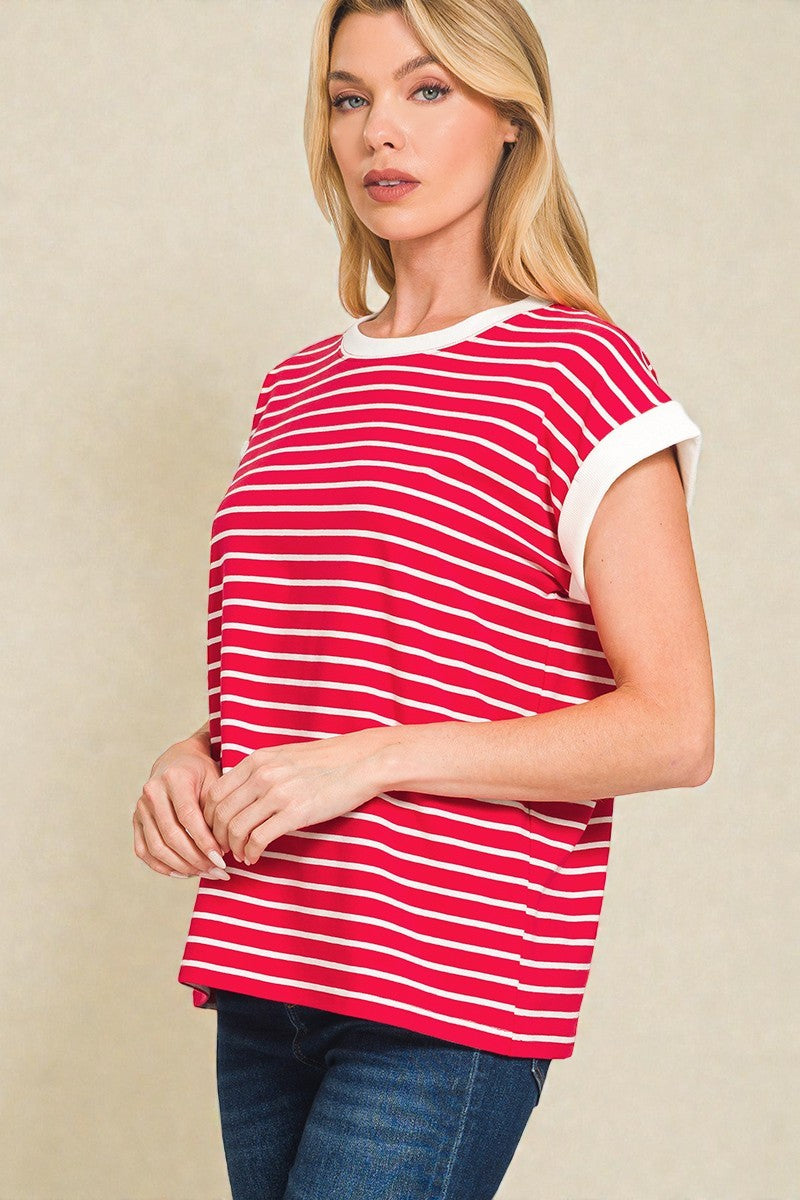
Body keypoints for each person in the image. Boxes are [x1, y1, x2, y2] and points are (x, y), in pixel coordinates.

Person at [132, 1, 715, 1197]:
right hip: (270, 953)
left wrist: (372, 761)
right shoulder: (295, 388)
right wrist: (198, 755)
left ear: (511, 118)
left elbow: (673, 726)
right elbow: (323, 659)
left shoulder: (578, 369)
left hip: (443, 976)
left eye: (426, 90)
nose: (377, 134)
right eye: (349, 99)